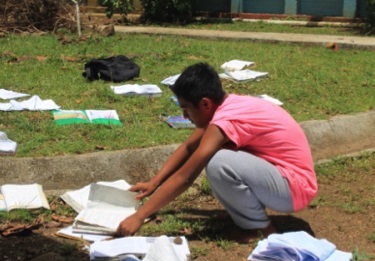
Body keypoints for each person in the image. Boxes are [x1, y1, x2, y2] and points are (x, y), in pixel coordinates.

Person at [116, 62, 318, 242]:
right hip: (286, 180)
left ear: (205, 104)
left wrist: (139, 216)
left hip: (294, 188)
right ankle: (248, 217)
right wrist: (154, 182)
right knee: (220, 157)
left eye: (186, 108)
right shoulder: (225, 106)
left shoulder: (225, 120)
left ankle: (260, 229)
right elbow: (188, 147)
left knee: (219, 162)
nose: (184, 116)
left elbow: (186, 177)